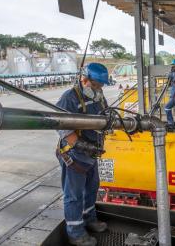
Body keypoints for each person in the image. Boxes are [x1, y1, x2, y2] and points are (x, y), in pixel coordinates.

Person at [55, 63, 110, 246]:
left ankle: (89, 219)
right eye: (95, 85)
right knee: (74, 195)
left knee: (92, 189)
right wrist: (85, 147)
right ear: (83, 79)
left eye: (100, 86)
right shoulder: (69, 99)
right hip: (75, 156)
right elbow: (63, 129)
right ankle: (76, 232)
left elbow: (105, 114)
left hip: (91, 155)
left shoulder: (98, 96)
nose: (98, 89)